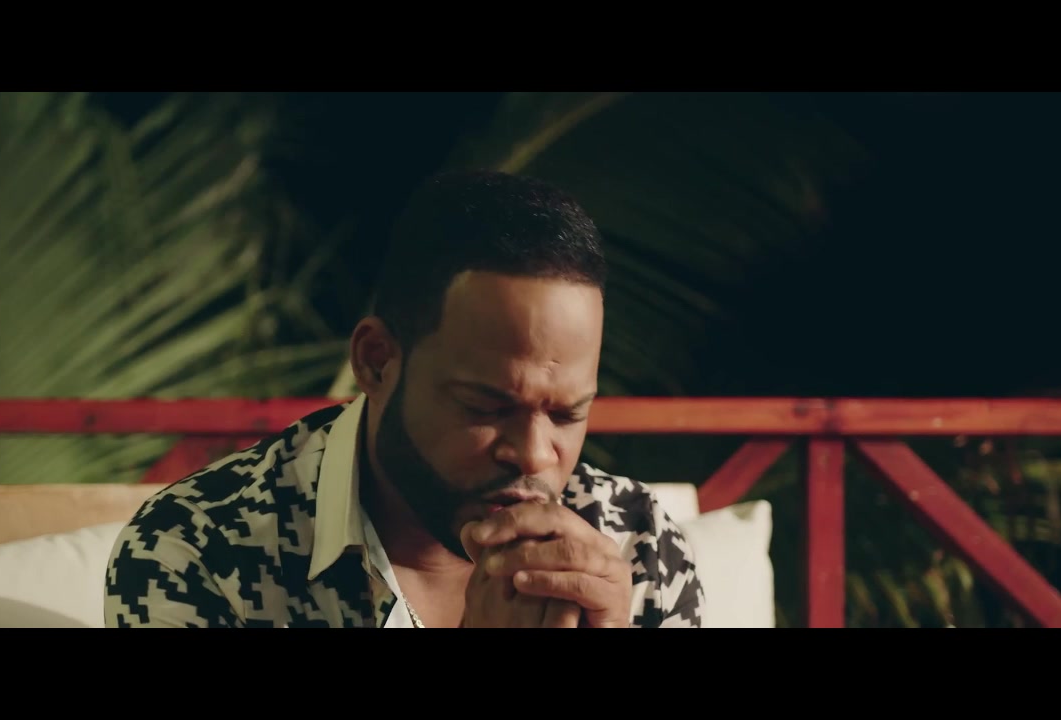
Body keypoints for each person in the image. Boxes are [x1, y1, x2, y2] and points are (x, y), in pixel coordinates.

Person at [103, 169, 705, 628]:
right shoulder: (196, 550)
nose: (533, 455)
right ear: (376, 361)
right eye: (486, 407)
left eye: (567, 414)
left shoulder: (639, 546)